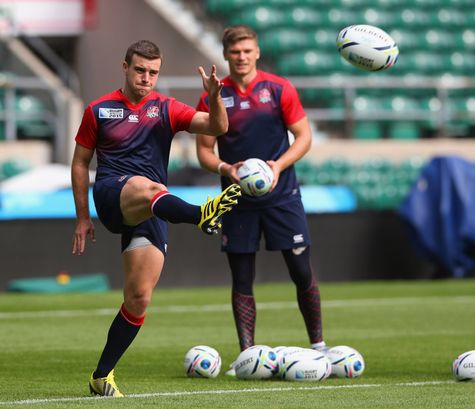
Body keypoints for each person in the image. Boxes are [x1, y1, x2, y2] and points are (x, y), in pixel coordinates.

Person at [71, 40, 242, 397]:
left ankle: (101, 376)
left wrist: (214, 97)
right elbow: (80, 163)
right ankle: (200, 215)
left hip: (154, 207)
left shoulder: (166, 108)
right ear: (125, 67)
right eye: (140, 70)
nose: (146, 78)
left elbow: (217, 128)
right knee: (148, 188)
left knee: (139, 298)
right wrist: (82, 217)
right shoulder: (99, 110)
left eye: (153, 72)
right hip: (113, 195)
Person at [195, 25, 327, 374]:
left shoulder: (278, 88)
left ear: (257, 52)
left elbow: (303, 136)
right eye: (235, 52)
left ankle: (319, 346)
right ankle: (247, 354)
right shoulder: (213, 94)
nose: (241, 57)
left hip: (282, 195)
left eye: (247, 50)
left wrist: (278, 167)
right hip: (236, 198)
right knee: (241, 277)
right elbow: (204, 152)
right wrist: (226, 167)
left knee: (301, 271)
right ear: (225, 54)